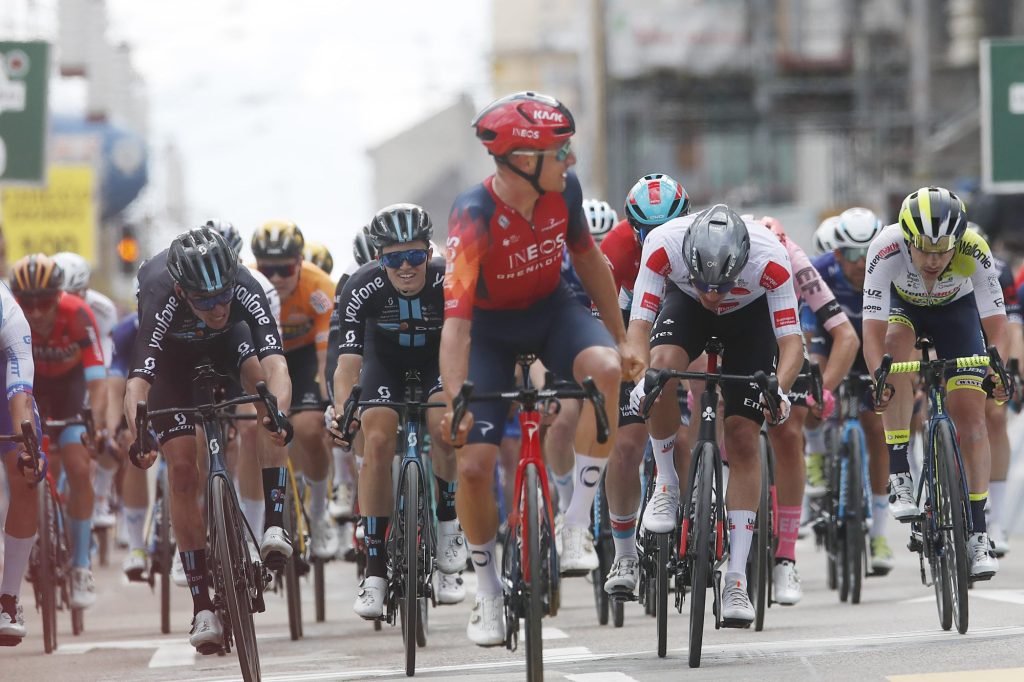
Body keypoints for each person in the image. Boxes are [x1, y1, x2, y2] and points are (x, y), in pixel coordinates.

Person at [440, 91, 639, 646]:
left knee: (604, 370)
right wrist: (456, 398)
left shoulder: (565, 191)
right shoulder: (472, 214)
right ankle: (487, 592)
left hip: (554, 312)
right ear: (522, 160)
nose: (570, 161)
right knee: (475, 467)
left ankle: (576, 520)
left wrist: (621, 340)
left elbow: (589, 261)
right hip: (489, 331)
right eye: (561, 151)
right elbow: (455, 323)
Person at [625, 205, 804, 628]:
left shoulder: (770, 259)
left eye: (722, 284)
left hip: (750, 320)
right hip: (682, 309)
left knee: (743, 438)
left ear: (742, 263)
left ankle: (737, 579)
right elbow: (637, 328)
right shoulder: (662, 245)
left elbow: (791, 342)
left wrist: (778, 387)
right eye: (704, 282)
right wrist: (640, 378)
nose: (713, 293)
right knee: (662, 367)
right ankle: (668, 482)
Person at [124, 227, 293, 653]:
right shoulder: (160, 291)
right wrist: (140, 434)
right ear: (182, 291)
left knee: (265, 404)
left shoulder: (244, 285)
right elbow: (139, 383)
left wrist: (277, 413)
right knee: (182, 471)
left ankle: (274, 525)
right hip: (172, 366)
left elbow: (276, 364)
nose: (218, 306)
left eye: (223, 296)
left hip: (227, 346)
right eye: (205, 300)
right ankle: (202, 605)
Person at [330, 203, 467, 617]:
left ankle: (447, 528)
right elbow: (347, 363)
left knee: (444, 424)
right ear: (379, 258)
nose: (405, 267)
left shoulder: (449, 278)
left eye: (414, 256)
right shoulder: (360, 285)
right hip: (383, 361)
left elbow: (465, 342)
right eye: (394, 258)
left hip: (436, 360)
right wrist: (342, 411)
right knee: (375, 437)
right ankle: (373, 570)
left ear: (429, 250)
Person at [863, 187, 1007, 581]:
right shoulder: (885, 248)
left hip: (956, 314)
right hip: (902, 309)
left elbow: (997, 325)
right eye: (924, 250)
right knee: (894, 353)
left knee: (972, 420)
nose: (933, 260)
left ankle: (978, 533)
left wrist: (999, 370)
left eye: (943, 250)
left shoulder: (974, 249)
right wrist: (880, 376)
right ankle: (900, 473)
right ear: (907, 239)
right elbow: (872, 331)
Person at [759, 215, 859, 604]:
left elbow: (845, 335)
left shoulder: (799, 263)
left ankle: (785, 556)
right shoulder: (731, 259)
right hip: (740, 334)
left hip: (787, 339)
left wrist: (826, 390)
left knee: (788, 432)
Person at [599, 172, 690, 598]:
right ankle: (624, 555)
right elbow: (602, 320)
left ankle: (699, 524)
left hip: (686, 325)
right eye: (647, 234)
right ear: (631, 227)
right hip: (632, 329)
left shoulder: (698, 239)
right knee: (626, 446)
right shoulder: (615, 247)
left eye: (666, 231)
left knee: (697, 420)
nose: (657, 241)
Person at [801, 207, 896, 575]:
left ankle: (879, 534)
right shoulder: (820, 269)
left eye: (868, 251)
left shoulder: (887, 267)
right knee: (816, 393)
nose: (862, 262)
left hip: (874, 344)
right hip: (830, 339)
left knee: (876, 428)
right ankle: (817, 456)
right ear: (838, 254)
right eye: (853, 254)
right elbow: (807, 328)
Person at [11, 254, 107, 610]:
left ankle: (81, 565)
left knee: (79, 467)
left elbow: (97, 381)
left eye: (45, 302)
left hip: (70, 390)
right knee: (21, 467)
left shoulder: (79, 313)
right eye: (28, 303)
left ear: (59, 296)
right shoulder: (10, 314)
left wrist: (95, 424)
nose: (35, 312)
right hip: (30, 390)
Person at [251, 220, 339, 559]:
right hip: (261, 358)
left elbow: (324, 358)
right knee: (251, 428)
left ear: (301, 263)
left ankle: (318, 513)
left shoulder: (319, 290)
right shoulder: (248, 284)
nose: (274, 279)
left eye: (284, 268)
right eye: (267, 269)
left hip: (303, 359)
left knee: (307, 428)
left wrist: (330, 401)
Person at [52, 252, 120, 533]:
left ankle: (100, 496)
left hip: (90, 364)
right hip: (56, 368)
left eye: (75, 295)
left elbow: (103, 362)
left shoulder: (102, 309)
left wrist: (98, 416)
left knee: (104, 432)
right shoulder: (42, 307)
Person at [0, 281, 42, 642]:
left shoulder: (10, 314)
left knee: (25, 471)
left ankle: (9, 598)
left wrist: (26, 450)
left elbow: (19, 395)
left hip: (3, 381)